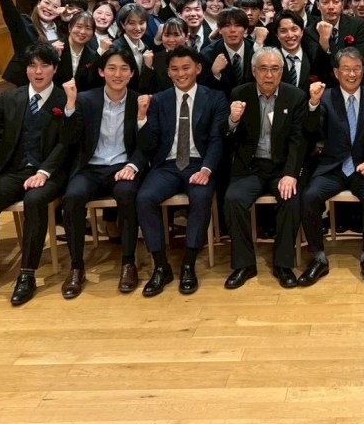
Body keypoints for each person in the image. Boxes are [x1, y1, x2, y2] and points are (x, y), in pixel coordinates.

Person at [0, 43, 70, 308]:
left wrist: (44, 172)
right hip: (15, 169)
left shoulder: (65, 99)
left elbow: (67, 143)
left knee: (34, 201)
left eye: (44, 65)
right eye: (32, 65)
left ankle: (27, 275)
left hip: (50, 172)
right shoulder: (11, 98)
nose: (38, 71)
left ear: (55, 69)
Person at [136, 47, 229, 297]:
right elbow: (149, 144)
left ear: (198, 69)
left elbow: (217, 139)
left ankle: (188, 263)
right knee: (144, 198)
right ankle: (161, 266)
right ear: (168, 72)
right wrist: (142, 118)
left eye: (186, 68)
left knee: (201, 196)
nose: (181, 74)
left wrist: (207, 169)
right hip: (167, 165)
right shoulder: (159, 100)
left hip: (199, 163)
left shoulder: (215, 98)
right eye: (174, 69)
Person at [59, 50, 147, 298]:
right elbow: (68, 139)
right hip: (91, 168)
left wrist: (133, 166)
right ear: (101, 72)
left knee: (127, 194)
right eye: (111, 68)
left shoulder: (139, 101)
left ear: (132, 73)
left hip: (123, 167)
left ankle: (128, 262)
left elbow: (146, 144)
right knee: (72, 197)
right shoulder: (85, 100)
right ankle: (76, 267)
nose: (118, 74)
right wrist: (70, 106)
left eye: (124, 68)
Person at [222, 47, 309, 289]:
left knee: (290, 198)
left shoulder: (295, 97)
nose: (269, 75)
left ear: (282, 71)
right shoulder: (240, 94)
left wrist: (291, 174)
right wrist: (233, 121)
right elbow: (227, 138)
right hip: (250, 167)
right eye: (263, 69)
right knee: (233, 199)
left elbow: (298, 140)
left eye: (274, 69)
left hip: (281, 168)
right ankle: (244, 265)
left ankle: (283, 264)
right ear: (253, 71)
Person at [299, 48, 364, 287]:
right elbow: (311, 131)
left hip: (362, 168)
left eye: (356, 69)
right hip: (333, 168)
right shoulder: (325, 98)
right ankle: (318, 257)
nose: (351, 74)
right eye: (346, 69)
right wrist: (313, 104)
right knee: (309, 196)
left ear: (363, 71)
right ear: (336, 73)